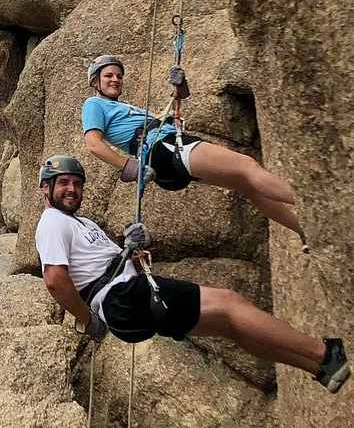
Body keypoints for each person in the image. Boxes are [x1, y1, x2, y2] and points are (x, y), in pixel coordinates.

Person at [35, 154, 350, 393]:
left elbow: (96, 267)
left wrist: (133, 252)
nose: (72, 189)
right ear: (46, 189)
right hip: (123, 298)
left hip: (129, 294)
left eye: (76, 183)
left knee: (230, 325)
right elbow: (55, 280)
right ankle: (323, 353)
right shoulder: (52, 222)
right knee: (230, 303)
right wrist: (89, 320)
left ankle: (320, 369)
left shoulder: (81, 223)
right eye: (63, 182)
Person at [82, 55, 309, 252]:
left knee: (247, 185)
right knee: (247, 166)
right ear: (96, 82)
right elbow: (93, 143)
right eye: (109, 76)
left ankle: (304, 230)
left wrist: (181, 88)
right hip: (164, 147)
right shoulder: (93, 104)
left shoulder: (123, 108)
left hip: (165, 154)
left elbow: (176, 102)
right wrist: (127, 165)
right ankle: (311, 204)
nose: (115, 80)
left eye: (119, 76)